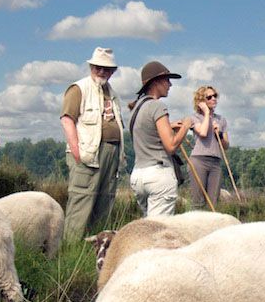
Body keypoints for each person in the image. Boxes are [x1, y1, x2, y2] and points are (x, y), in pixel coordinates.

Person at [61, 48, 124, 242]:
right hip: (88, 154)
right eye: (98, 67)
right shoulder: (79, 88)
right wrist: (77, 151)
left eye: (106, 69)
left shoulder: (111, 93)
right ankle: (71, 249)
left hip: (111, 154)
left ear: (112, 71)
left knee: (104, 201)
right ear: (91, 67)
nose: (102, 72)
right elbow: (67, 119)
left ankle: (96, 250)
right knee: (81, 201)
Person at [128, 61, 192, 217]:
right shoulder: (157, 106)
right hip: (158, 175)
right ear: (155, 82)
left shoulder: (137, 107)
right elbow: (171, 146)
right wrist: (185, 126)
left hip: (138, 175)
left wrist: (168, 126)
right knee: (159, 231)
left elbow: (148, 131)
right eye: (166, 80)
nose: (170, 84)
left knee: (147, 229)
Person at [188, 85, 230, 209]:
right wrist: (207, 113)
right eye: (209, 97)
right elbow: (203, 132)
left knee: (213, 203)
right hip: (199, 160)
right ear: (201, 101)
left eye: (215, 96)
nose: (214, 99)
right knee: (198, 202)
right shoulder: (194, 117)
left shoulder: (221, 119)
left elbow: (226, 145)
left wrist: (220, 135)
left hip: (216, 161)